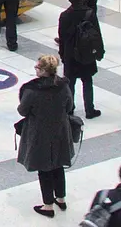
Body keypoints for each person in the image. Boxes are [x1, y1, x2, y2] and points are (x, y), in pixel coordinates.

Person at [17, 54, 78, 218]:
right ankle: (61, 198)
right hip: (60, 130)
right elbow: (70, 106)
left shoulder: (32, 90)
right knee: (58, 165)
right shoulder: (63, 86)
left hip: (39, 133)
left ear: (44, 70)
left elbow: (22, 110)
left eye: (37, 67)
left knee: (44, 168)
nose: (35, 69)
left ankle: (48, 205)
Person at [58, 0, 104, 119]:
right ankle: (89, 109)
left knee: (70, 83)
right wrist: (99, 51)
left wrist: (62, 54)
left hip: (70, 54)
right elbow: (97, 34)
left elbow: (61, 38)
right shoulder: (89, 13)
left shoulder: (65, 15)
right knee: (87, 81)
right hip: (87, 52)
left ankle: (70, 109)